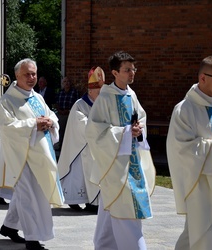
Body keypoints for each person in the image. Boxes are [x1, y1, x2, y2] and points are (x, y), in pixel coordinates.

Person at [86, 51, 155, 250]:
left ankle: (104, 245)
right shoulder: (105, 97)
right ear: (115, 72)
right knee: (124, 208)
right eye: (127, 70)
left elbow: (141, 118)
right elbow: (94, 131)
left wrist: (139, 129)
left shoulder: (131, 94)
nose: (132, 73)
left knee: (111, 208)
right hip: (114, 165)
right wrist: (125, 132)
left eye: (133, 69)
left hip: (131, 162)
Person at [0, 58, 64, 250]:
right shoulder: (7, 101)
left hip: (41, 155)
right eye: (27, 74)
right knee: (28, 196)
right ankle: (32, 238)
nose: (32, 77)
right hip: (21, 157)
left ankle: (9, 226)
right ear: (17, 75)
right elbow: (7, 128)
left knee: (31, 194)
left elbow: (50, 114)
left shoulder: (37, 97)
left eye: (34, 73)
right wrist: (34, 124)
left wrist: (51, 122)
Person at [166, 55, 212, 250]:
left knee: (197, 235)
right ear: (203, 78)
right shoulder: (184, 109)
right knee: (206, 233)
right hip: (203, 184)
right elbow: (181, 149)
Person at [57, 66, 104, 212]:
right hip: (79, 148)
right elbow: (82, 125)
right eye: (98, 92)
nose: (101, 95)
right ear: (90, 91)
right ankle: (75, 200)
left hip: (95, 148)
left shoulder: (102, 105)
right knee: (78, 175)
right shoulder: (80, 104)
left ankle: (93, 202)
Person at [54, 76, 79, 150]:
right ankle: (59, 146)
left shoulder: (74, 92)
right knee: (59, 129)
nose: (67, 83)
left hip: (69, 114)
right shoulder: (60, 92)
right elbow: (56, 103)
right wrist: (59, 110)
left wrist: (68, 111)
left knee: (68, 131)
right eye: (65, 82)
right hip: (60, 113)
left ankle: (67, 147)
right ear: (62, 84)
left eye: (68, 81)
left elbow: (76, 103)